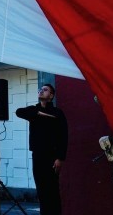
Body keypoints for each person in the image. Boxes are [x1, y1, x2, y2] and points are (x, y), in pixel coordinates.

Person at [16, 83, 68, 215]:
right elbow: (19, 112)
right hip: (37, 156)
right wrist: (38, 113)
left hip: (52, 157)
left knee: (52, 191)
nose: (41, 91)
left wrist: (60, 157)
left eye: (45, 90)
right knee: (41, 190)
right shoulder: (33, 110)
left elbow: (63, 136)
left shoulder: (57, 113)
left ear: (51, 95)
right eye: (40, 89)